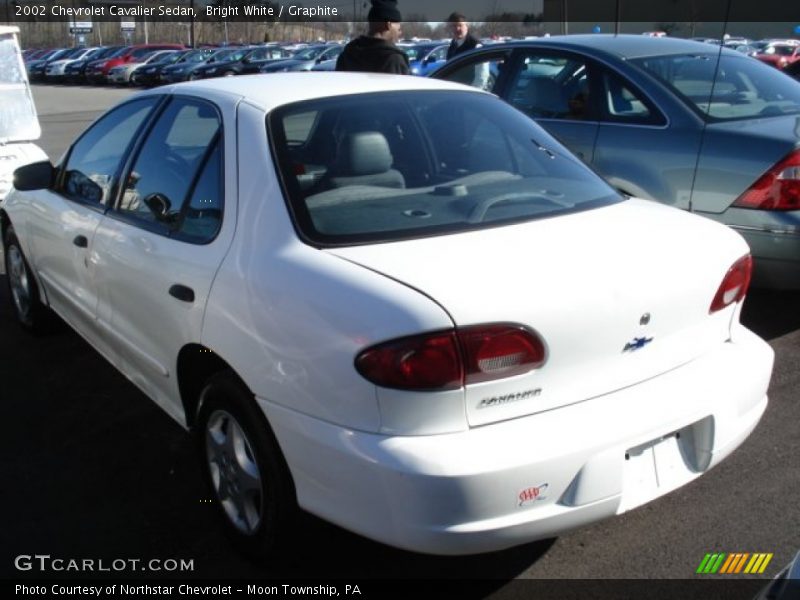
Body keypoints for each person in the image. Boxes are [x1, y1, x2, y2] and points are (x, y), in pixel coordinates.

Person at [336, 0, 409, 74]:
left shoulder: (347, 54)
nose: (400, 33)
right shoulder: (394, 60)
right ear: (388, 25)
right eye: (399, 29)